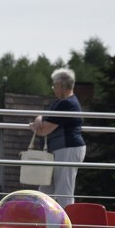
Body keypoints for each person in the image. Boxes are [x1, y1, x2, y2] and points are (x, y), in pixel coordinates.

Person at [29, 67, 86, 207]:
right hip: (60, 149)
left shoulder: (67, 104)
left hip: (67, 148)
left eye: (54, 85)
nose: (53, 88)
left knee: (63, 191)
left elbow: (44, 130)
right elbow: (44, 116)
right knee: (46, 191)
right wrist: (39, 120)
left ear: (61, 85)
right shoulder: (60, 102)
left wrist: (38, 125)